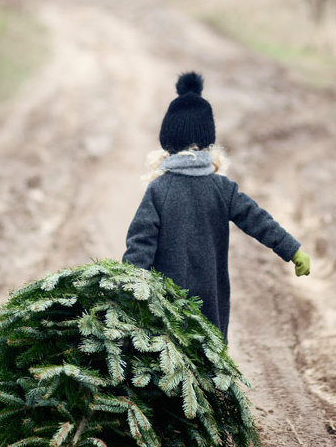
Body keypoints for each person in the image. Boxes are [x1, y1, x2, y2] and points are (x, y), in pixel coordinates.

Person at [122, 71, 310, 341]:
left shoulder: (159, 190)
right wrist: (293, 250)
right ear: (208, 142)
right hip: (211, 302)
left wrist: (130, 286)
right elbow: (258, 221)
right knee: (210, 363)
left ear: (168, 142)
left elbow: (140, 244)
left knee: (168, 362)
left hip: (165, 304)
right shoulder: (222, 189)